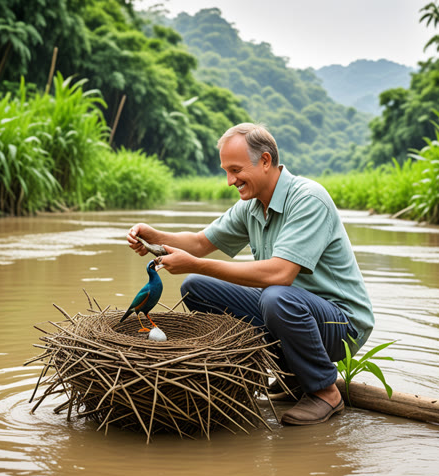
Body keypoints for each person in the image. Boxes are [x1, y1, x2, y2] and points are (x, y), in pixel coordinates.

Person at [127, 122, 374, 426]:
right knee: (196, 287)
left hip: (341, 324)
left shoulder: (308, 198)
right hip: (293, 309)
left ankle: (325, 391)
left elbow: (280, 274)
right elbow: (200, 243)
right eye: (226, 171)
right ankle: (293, 375)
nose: (230, 181)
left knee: (275, 297)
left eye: (236, 170)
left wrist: (195, 263)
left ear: (266, 161)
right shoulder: (252, 204)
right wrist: (155, 237)